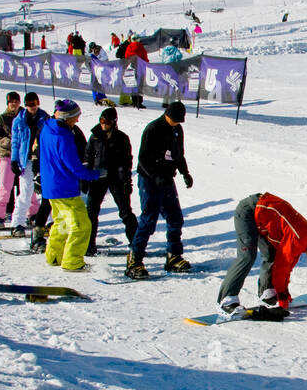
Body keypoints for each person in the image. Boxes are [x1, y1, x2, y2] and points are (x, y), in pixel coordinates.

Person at [216, 193, 307, 315]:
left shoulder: (306, 236)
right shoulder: (299, 237)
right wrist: (283, 300)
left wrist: (284, 294)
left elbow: (287, 267)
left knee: (272, 255)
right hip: (249, 211)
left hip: (262, 219)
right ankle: (226, 301)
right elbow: (281, 268)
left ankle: (268, 292)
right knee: (247, 256)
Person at [125, 100, 193, 279]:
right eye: (174, 119)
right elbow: (143, 158)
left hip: (167, 179)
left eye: (179, 121)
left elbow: (179, 155)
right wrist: (156, 176)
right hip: (150, 180)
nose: (176, 123)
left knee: (175, 218)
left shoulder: (177, 129)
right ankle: (135, 259)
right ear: (167, 115)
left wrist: (185, 173)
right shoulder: (153, 129)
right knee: (148, 220)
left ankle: (173, 255)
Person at [38, 99, 103, 271]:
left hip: (51, 186)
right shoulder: (64, 136)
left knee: (62, 223)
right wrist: (96, 174)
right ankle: (73, 262)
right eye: (76, 117)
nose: (77, 120)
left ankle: (54, 256)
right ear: (67, 117)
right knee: (81, 226)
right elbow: (74, 166)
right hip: (64, 187)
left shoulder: (47, 128)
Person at [84, 107, 137, 256]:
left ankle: (136, 242)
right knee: (91, 211)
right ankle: (89, 244)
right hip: (97, 177)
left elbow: (127, 161)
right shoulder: (94, 136)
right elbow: (87, 157)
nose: (103, 124)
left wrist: (127, 181)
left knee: (125, 211)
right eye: (101, 121)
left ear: (114, 122)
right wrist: (85, 177)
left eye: (106, 122)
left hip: (115, 178)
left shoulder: (122, 138)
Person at [9, 92, 48, 237]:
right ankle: (17, 223)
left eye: (34, 103)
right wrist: (14, 160)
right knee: (25, 192)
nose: (31, 107)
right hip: (26, 160)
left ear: (38, 103)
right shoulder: (19, 120)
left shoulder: (45, 118)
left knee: (45, 193)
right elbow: (16, 142)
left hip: (42, 160)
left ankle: (47, 222)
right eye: (28, 104)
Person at [0, 92, 21, 231]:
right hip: (7, 154)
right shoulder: (2, 119)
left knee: (27, 188)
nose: (13, 104)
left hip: (23, 155)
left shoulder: (24, 116)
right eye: (11, 101)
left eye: (16, 101)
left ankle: (32, 213)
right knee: (4, 186)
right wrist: (8, 142)